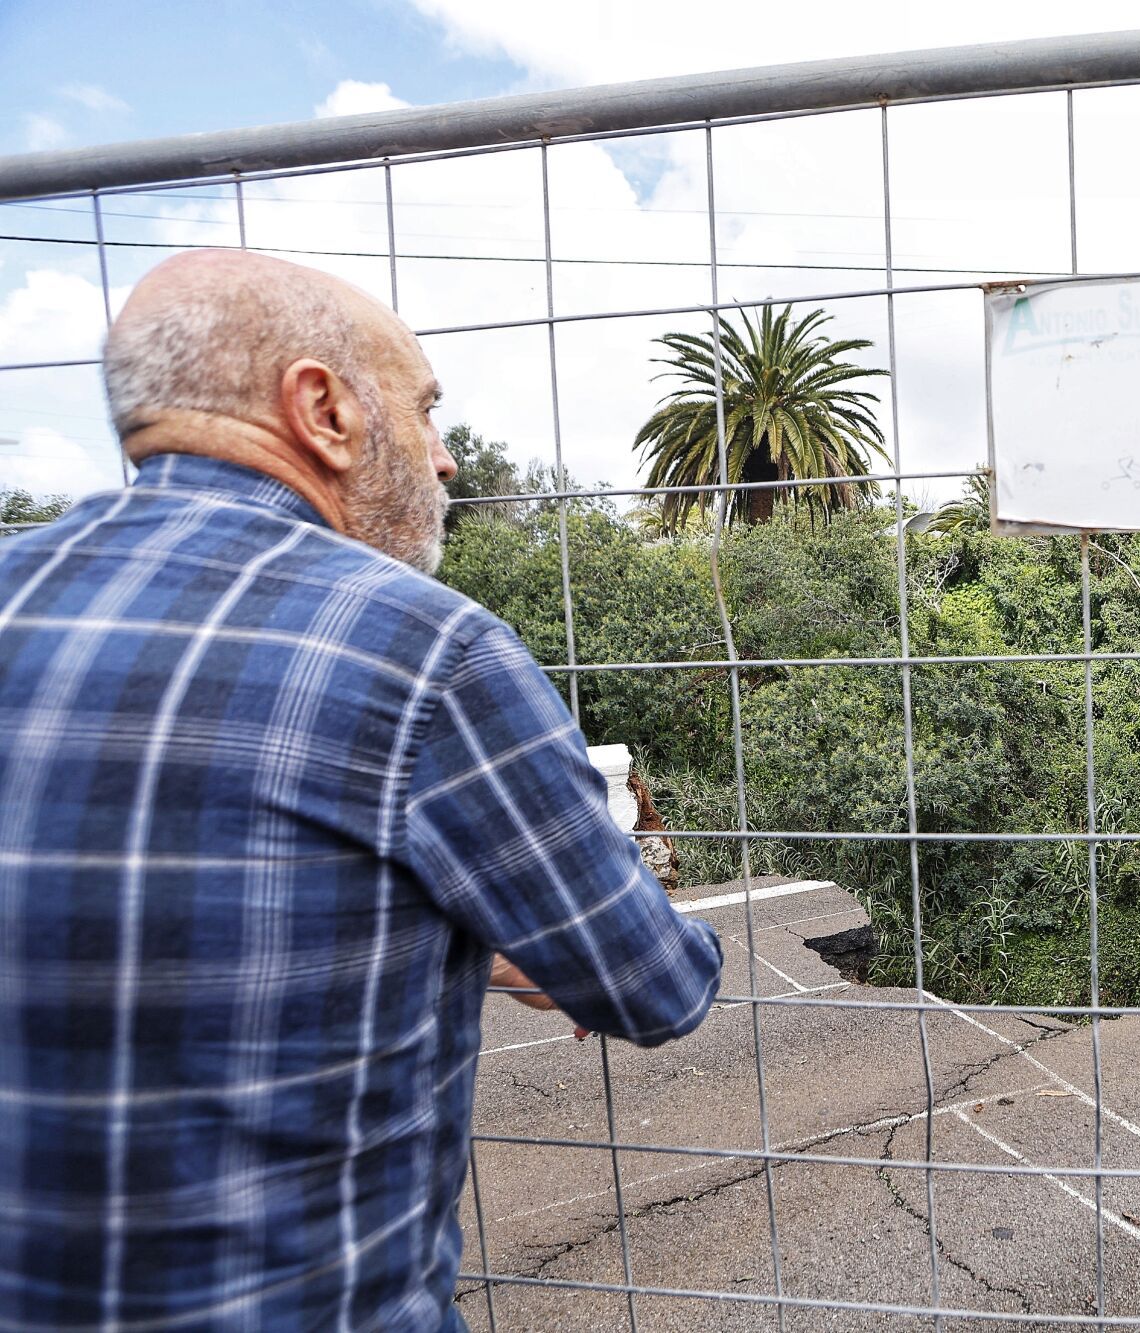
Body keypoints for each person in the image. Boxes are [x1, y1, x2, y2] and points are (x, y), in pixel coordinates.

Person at [0, 250, 724, 1330]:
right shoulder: (426, 652)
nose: (441, 460)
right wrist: (491, 935)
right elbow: (651, 984)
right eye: (424, 409)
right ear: (321, 407)